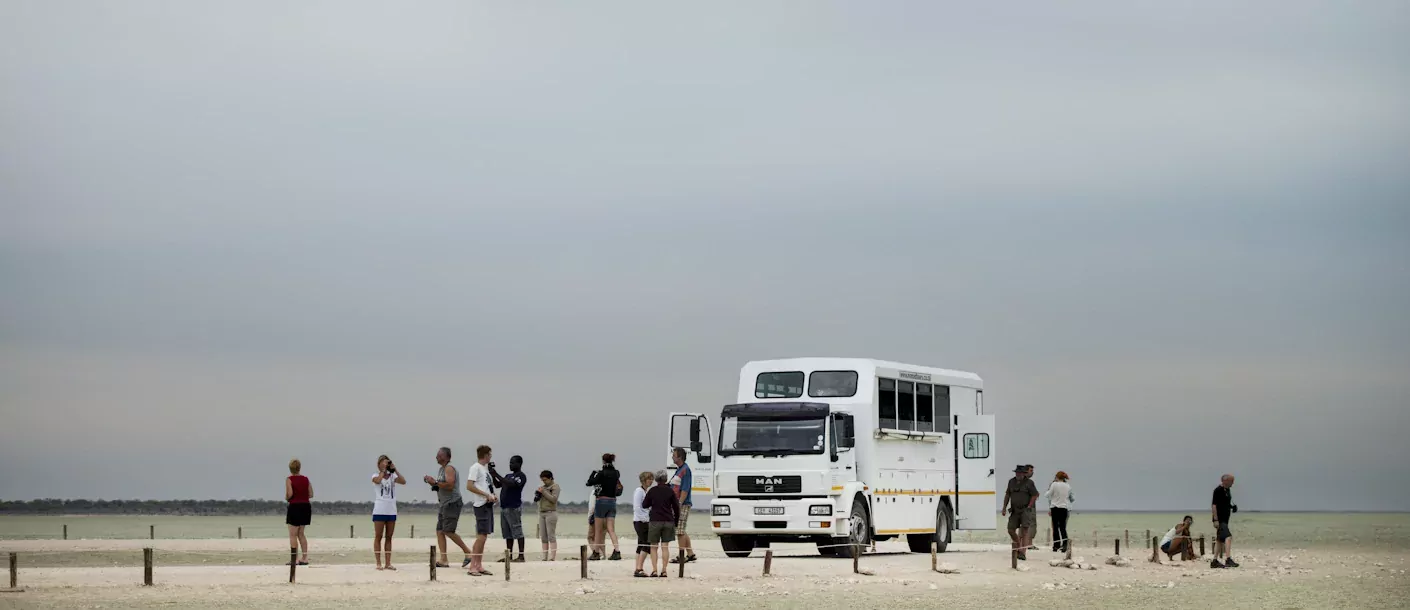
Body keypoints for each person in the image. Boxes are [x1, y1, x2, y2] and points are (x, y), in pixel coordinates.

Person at [422, 447, 472, 569]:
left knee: (448, 531)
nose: (436, 457)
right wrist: (432, 483)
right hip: (443, 504)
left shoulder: (449, 468)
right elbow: (441, 486)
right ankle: (443, 559)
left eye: (439, 455)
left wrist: (434, 482)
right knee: (439, 530)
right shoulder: (441, 469)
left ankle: (468, 553)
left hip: (452, 503)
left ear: (446, 457)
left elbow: (450, 485)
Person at [465, 445, 497, 576]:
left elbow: (486, 486)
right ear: (485, 455)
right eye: (490, 454)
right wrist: (485, 495)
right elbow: (469, 486)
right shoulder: (475, 467)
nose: (491, 456)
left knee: (484, 536)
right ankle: (472, 565)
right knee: (481, 536)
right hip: (480, 505)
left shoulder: (485, 470)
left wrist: (492, 496)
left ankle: (479, 564)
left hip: (488, 504)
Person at [641, 470, 680, 578]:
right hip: (668, 520)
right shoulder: (670, 491)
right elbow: (676, 508)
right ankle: (664, 570)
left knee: (653, 547)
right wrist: (676, 521)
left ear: (656, 480)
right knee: (665, 547)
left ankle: (654, 570)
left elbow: (644, 504)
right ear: (666, 479)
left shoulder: (652, 491)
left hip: (655, 520)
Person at [585, 453, 623, 561]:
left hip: (601, 501)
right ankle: (617, 551)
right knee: (611, 529)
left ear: (603, 461)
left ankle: (596, 553)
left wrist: (593, 474)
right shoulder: (616, 473)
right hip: (612, 501)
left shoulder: (601, 474)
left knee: (598, 529)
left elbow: (589, 483)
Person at [371, 454, 406, 570]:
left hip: (391, 509)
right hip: (380, 509)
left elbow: (403, 481)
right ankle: (378, 563)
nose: (386, 464)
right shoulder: (375, 475)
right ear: (379, 463)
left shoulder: (392, 476)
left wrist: (394, 469)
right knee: (378, 536)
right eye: (384, 462)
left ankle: (388, 563)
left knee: (389, 537)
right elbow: (377, 481)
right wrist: (383, 471)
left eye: (387, 462)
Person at [492, 455, 528, 563]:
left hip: (513, 508)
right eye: (510, 462)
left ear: (519, 464)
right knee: (508, 534)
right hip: (504, 508)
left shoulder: (521, 476)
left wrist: (496, 474)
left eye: (513, 463)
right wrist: (493, 475)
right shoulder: (508, 475)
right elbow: (498, 484)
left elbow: (511, 484)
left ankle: (521, 556)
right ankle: (510, 556)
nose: (510, 465)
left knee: (517, 532)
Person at [1000, 464, 1038, 560]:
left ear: (1024, 473)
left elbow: (1035, 495)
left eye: (1020, 473)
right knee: (1010, 529)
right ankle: (1018, 544)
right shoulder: (1011, 482)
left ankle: (1022, 553)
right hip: (1014, 510)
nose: (1018, 474)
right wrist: (1004, 507)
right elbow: (1007, 495)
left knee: (1025, 531)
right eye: (1017, 472)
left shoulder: (1029, 483)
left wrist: (1030, 506)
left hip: (1025, 510)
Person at [669, 448, 697, 564]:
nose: (672, 457)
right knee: (681, 529)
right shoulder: (679, 470)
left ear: (679, 457)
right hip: (678, 503)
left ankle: (681, 555)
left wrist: (679, 504)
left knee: (679, 531)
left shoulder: (686, 470)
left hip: (683, 504)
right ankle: (690, 553)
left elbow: (685, 489)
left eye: (674, 455)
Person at [285, 458, 312, 566]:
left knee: (293, 534)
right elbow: (311, 494)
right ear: (299, 468)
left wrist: (286, 497)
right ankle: (304, 558)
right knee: (301, 534)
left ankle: (294, 559)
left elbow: (289, 494)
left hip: (295, 506)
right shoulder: (306, 479)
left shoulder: (289, 479)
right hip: (305, 506)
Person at [1211, 473, 1240, 568]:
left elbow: (1225, 503)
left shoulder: (1227, 490)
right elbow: (1214, 505)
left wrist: (1232, 507)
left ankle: (1214, 561)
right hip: (1220, 519)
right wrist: (1215, 519)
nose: (1233, 483)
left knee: (1219, 540)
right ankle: (1228, 559)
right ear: (1225, 481)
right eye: (1232, 481)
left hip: (1225, 518)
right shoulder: (1218, 490)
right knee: (1228, 537)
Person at [631, 471, 654, 577]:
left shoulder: (646, 491)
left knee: (641, 544)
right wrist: (644, 519)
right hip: (640, 521)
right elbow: (637, 507)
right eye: (649, 479)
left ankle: (638, 567)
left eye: (652, 479)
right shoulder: (639, 491)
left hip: (645, 520)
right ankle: (639, 568)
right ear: (644, 480)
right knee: (646, 544)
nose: (651, 481)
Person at [1045, 470, 1074, 553]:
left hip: (1055, 508)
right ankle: (1065, 545)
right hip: (1064, 508)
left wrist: (1050, 490)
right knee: (1063, 528)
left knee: (1055, 528)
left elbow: (1047, 495)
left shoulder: (1054, 484)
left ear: (1057, 477)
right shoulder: (1068, 486)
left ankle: (1056, 545)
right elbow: (1071, 498)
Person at [535, 470, 560, 561]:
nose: (544, 482)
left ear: (550, 478)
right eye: (542, 480)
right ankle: (544, 557)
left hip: (551, 513)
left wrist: (544, 492)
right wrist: (538, 494)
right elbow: (537, 499)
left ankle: (552, 557)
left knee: (551, 535)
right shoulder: (543, 487)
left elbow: (553, 499)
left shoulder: (555, 487)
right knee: (543, 536)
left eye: (545, 480)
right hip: (542, 513)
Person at [1023, 465, 1038, 551]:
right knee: (1032, 524)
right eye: (1031, 471)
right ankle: (1029, 544)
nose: (1032, 472)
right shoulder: (1029, 482)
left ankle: (1024, 543)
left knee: (1024, 525)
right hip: (1030, 506)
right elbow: (1034, 494)